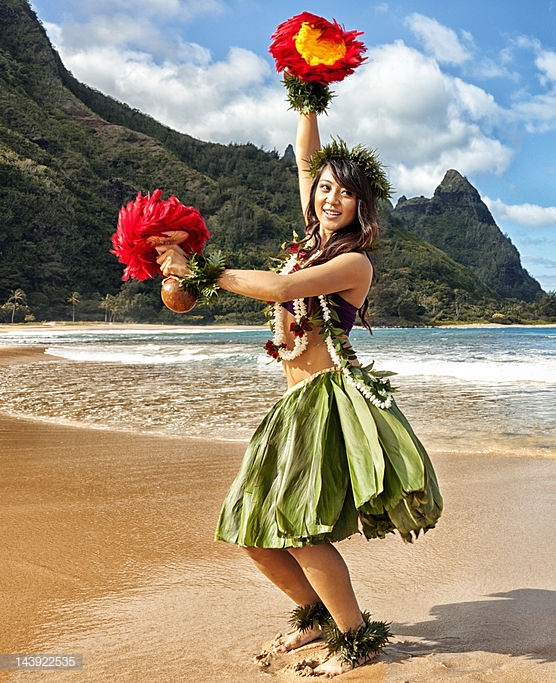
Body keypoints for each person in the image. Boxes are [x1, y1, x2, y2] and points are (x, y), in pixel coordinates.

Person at [156, 111, 442, 676]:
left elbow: (284, 289)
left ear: (363, 207)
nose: (333, 198)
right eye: (326, 189)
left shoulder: (351, 262)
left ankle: (356, 638)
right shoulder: (309, 242)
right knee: (252, 531)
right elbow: (306, 157)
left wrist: (202, 271)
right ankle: (314, 615)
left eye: (347, 193)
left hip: (325, 404)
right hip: (291, 404)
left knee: (300, 531)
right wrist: (307, 98)